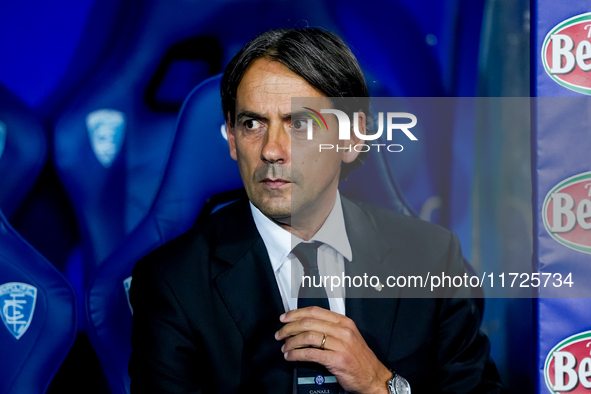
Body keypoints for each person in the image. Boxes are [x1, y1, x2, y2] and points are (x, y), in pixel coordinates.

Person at [128, 28, 506, 393]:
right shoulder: (172, 282)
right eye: (252, 124)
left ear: (352, 139)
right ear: (231, 138)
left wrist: (380, 385)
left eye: (300, 123)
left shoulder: (433, 259)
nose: (271, 149)